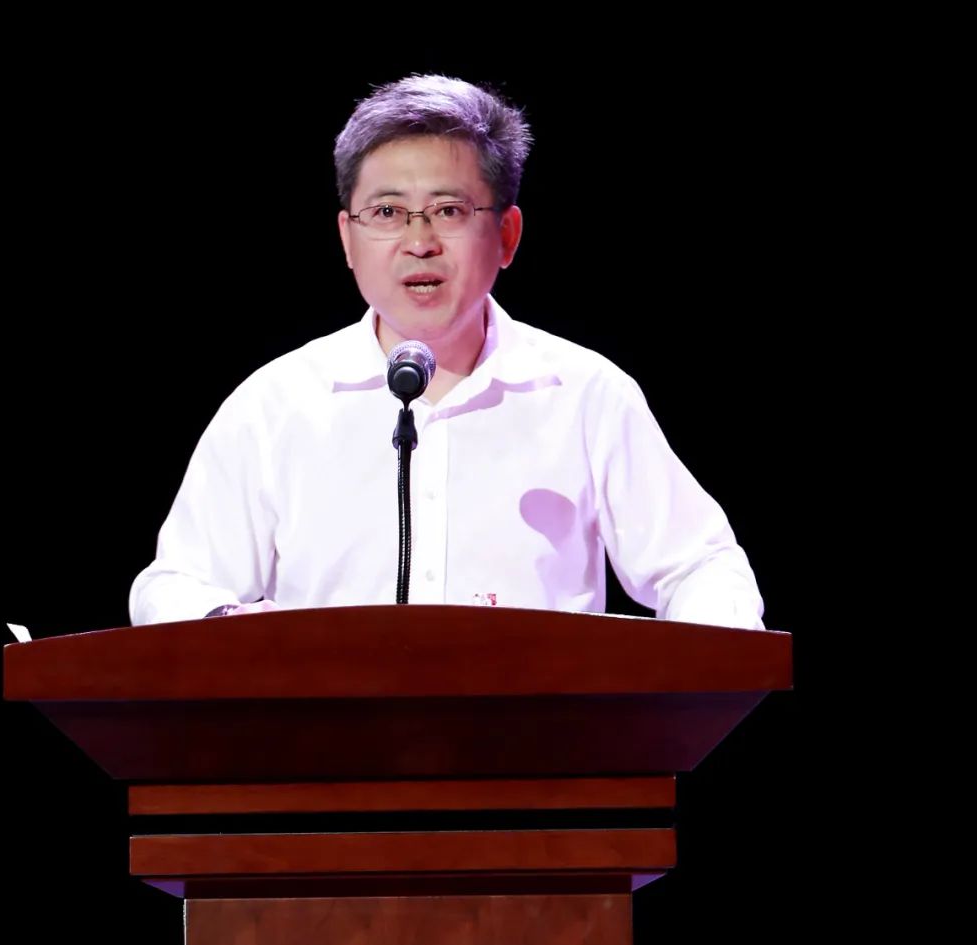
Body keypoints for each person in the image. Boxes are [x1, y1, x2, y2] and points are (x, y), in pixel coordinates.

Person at [129, 74, 764, 629]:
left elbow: (702, 567)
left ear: (507, 235)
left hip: (543, 731)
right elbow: (176, 585)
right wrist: (247, 633)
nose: (419, 241)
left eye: (448, 210)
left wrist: (703, 651)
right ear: (347, 238)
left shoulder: (585, 396)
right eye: (387, 212)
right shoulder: (275, 405)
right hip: (329, 731)